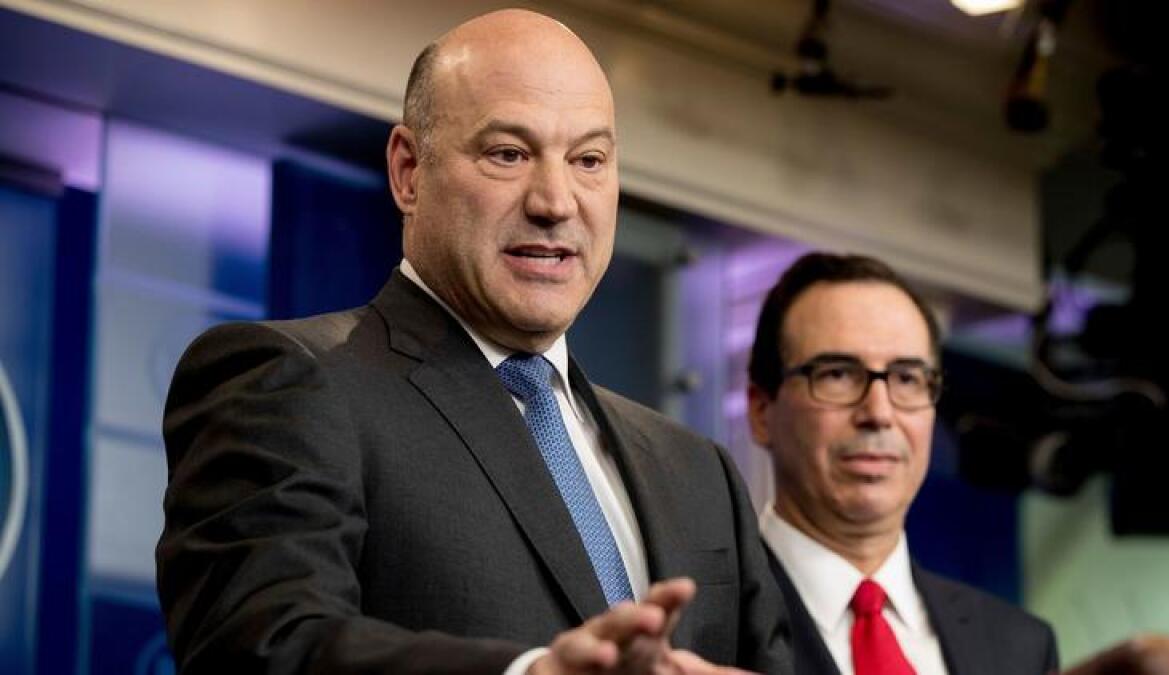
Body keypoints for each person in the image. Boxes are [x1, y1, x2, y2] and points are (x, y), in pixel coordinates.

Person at [156, 9, 789, 675]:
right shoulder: (288, 381)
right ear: (408, 171)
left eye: (589, 160)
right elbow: (266, 648)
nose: (556, 200)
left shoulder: (701, 472)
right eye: (508, 154)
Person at [746, 252, 1058, 674]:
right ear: (762, 410)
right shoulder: (708, 620)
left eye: (907, 378)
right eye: (837, 374)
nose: (879, 412)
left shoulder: (1019, 647)